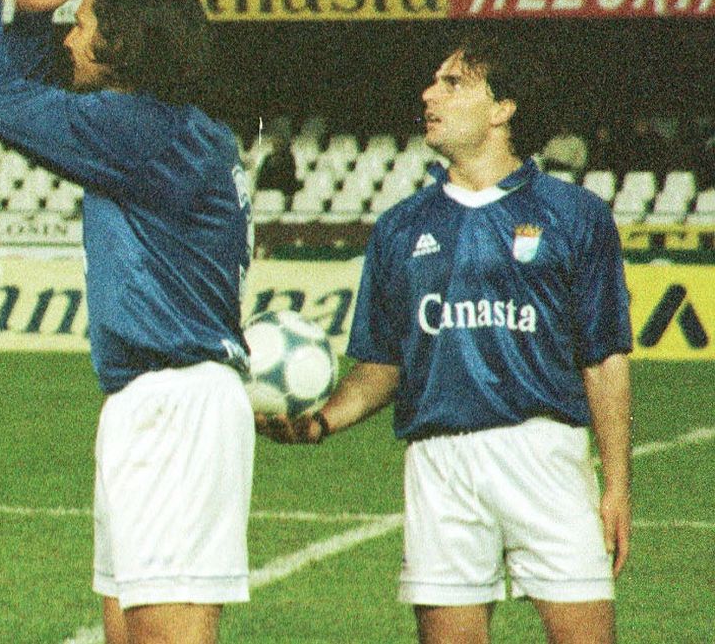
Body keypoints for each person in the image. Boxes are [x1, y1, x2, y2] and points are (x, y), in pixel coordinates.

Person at [258, 33, 633, 644]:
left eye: (453, 83)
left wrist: (616, 486)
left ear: (501, 109)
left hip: (543, 455)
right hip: (438, 462)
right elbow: (383, 363)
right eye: (433, 82)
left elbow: (603, 359)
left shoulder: (575, 215)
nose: (430, 94)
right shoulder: (400, 227)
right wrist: (322, 420)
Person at [0, 0, 254, 644]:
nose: (72, 34)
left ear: (124, 38)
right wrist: (29, 20)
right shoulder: (170, 128)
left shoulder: (140, 129)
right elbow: (19, 97)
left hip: (175, 403)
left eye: (83, 20)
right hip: (153, 398)